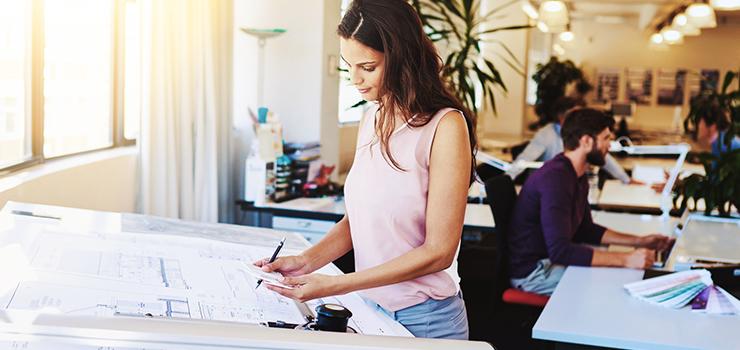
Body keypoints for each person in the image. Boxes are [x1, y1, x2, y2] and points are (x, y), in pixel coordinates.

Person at [255, 0, 473, 339]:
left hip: (426, 320)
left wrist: (337, 284)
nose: (355, 79)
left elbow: (439, 252)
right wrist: (305, 261)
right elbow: (358, 220)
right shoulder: (372, 116)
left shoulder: (445, 126)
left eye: (368, 67)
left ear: (402, 58)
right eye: (349, 66)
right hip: (372, 311)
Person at [507, 108, 674, 296]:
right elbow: (560, 251)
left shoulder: (576, 175)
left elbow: (585, 229)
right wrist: (626, 259)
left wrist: (640, 241)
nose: (609, 146)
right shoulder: (555, 179)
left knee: (620, 273)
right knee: (618, 285)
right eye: (606, 139)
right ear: (586, 141)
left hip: (550, 262)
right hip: (535, 272)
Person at [506, 97, 634, 184]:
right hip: (549, 186)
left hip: (571, 185)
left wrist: (626, 179)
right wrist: (503, 184)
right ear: (562, 117)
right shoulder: (546, 135)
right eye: (575, 115)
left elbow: (601, 154)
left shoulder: (580, 133)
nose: (581, 118)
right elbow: (524, 160)